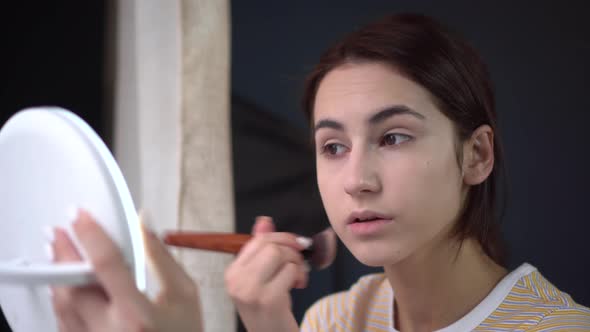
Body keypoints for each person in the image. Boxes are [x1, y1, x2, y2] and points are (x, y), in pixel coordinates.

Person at [50, 13, 590, 332]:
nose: (357, 179)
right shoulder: (334, 319)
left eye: (394, 137)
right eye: (332, 146)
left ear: (477, 156)